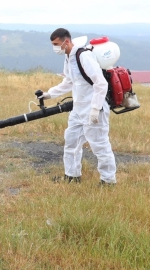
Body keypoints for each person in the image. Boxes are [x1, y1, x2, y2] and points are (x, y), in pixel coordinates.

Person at [37, 28, 117, 185]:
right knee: (71, 141)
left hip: (94, 108)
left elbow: (101, 83)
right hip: (78, 109)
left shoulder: (84, 56)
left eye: (56, 44)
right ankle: (71, 176)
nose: (55, 47)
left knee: (99, 145)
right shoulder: (68, 57)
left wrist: (95, 108)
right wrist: (49, 94)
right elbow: (69, 81)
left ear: (66, 41)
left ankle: (108, 181)